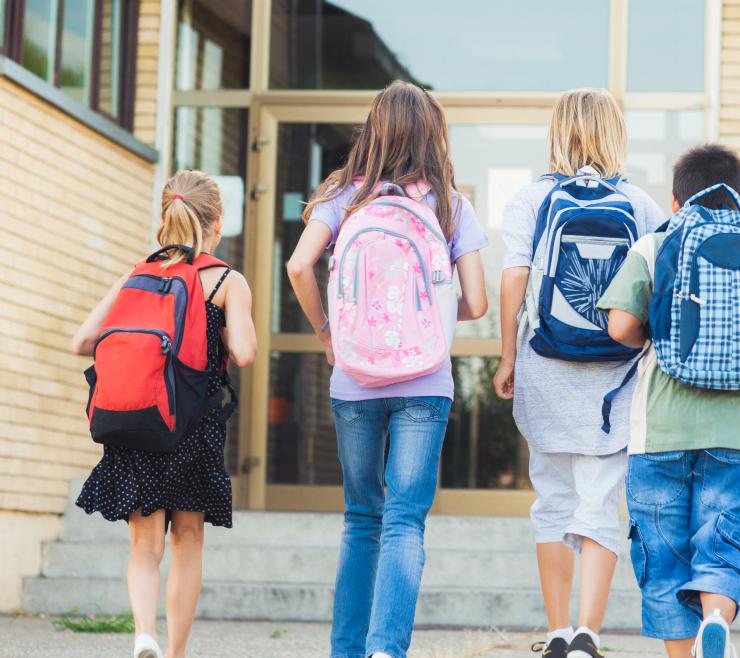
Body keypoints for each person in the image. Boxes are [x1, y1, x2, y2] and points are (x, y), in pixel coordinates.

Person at [287, 81, 489, 658]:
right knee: (404, 520)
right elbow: (476, 303)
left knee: (360, 517)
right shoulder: (449, 203)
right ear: (433, 134)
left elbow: (299, 265)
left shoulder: (343, 196)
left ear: (372, 129)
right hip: (425, 383)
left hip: (353, 380)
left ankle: (347, 650)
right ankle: (385, 650)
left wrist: (327, 332)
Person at [598, 143, 740, 658]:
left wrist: (659, 335)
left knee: (664, 558)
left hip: (660, 431)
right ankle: (716, 618)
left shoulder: (656, 243)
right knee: (722, 543)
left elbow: (620, 325)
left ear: (676, 200)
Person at [493, 88, 664, 658]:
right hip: (615, 378)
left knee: (552, 501)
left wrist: (506, 357)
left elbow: (513, 282)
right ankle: (591, 630)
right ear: (616, 133)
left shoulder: (530, 199)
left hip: (545, 366)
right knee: (600, 502)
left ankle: (560, 630)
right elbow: (656, 290)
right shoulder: (639, 204)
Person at [73, 170, 257, 658]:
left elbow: (82, 341)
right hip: (191, 430)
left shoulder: (137, 275)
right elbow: (244, 352)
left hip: (137, 421)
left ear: (166, 219)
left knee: (144, 547)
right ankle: (174, 653)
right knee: (187, 539)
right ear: (216, 224)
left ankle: (142, 635)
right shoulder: (224, 280)